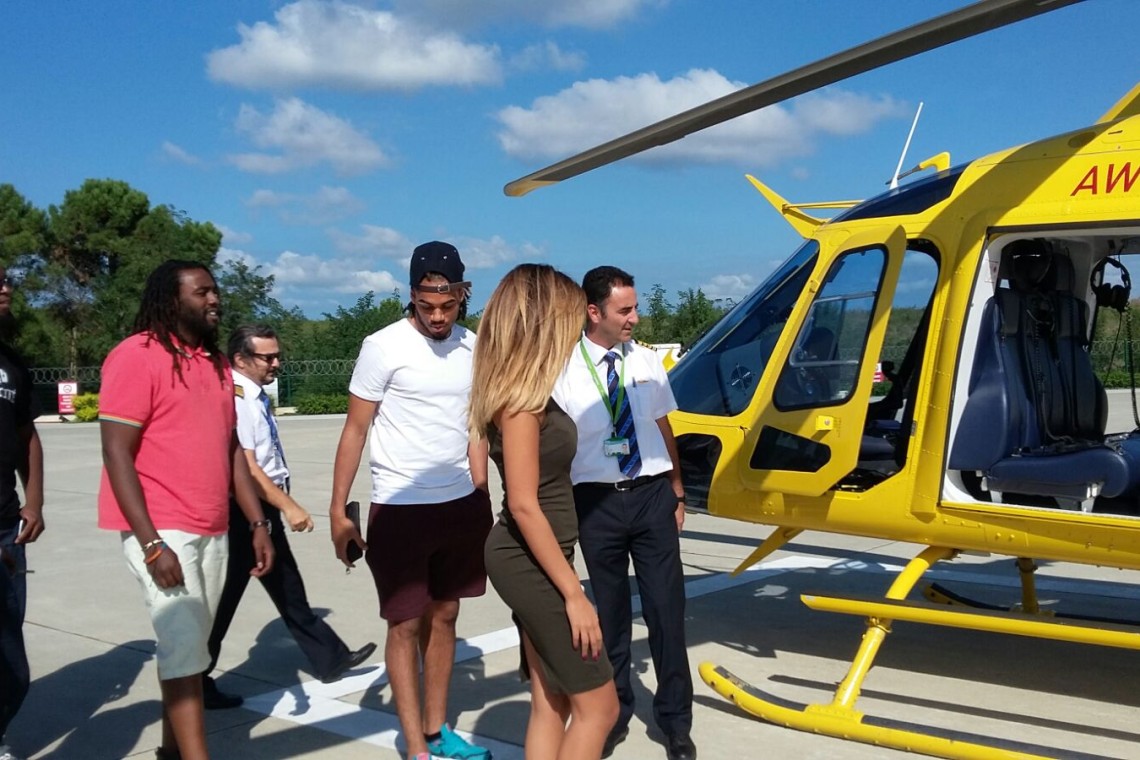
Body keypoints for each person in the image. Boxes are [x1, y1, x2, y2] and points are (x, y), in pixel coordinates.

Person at [98, 260, 274, 760]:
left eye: (215, 291)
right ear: (172, 300)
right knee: (181, 645)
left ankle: (172, 752)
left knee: (190, 653)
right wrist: (152, 544)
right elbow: (115, 451)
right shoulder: (136, 357)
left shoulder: (216, 365)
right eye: (202, 292)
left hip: (214, 526)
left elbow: (232, 450)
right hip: (161, 530)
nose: (214, 299)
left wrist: (258, 523)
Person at [329, 241, 493, 760]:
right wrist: (338, 510)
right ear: (412, 296)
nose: (438, 316)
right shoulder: (382, 346)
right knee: (404, 623)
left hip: (462, 506)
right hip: (400, 507)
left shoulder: (475, 345)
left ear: (463, 295)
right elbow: (356, 430)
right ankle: (414, 747)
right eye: (427, 306)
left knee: (444, 616)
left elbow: (476, 425)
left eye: (447, 305)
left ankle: (437, 729)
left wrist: (481, 486)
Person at [472, 264, 619, 760]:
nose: (576, 331)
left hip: (543, 555)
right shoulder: (520, 404)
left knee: (550, 700)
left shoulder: (532, 393)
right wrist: (575, 595)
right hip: (530, 559)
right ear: (544, 323)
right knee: (600, 707)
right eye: (570, 320)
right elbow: (521, 503)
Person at [552, 266, 696, 760]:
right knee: (609, 619)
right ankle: (612, 713)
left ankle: (676, 722)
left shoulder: (648, 362)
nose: (635, 317)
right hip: (596, 503)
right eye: (625, 309)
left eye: (635, 307)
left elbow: (663, 426)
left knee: (666, 612)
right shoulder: (563, 368)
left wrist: (677, 489)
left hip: (652, 495)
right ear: (594, 312)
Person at [202, 325, 376, 709]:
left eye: (277, 355)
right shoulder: (238, 400)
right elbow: (246, 468)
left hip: (259, 509)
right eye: (268, 357)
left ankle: (329, 657)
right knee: (229, 596)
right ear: (241, 360)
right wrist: (287, 505)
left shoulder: (252, 395)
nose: (276, 363)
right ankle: (194, 676)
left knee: (285, 587)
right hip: (246, 511)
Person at [0, 267, 43, 760]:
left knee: (12, 661)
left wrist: (34, 499)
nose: (6, 287)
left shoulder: (12, 364)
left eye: (8, 279)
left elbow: (27, 435)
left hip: (5, 528)